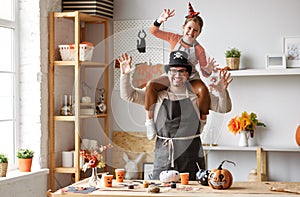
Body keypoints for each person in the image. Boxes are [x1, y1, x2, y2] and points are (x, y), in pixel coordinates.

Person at [118, 50, 232, 180]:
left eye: (182, 71)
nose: (177, 75)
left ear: (188, 74)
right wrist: (124, 75)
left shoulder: (197, 95)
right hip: (164, 155)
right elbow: (129, 96)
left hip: (191, 155)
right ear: (167, 73)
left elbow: (224, 108)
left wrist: (222, 92)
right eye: (173, 70)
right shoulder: (157, 94)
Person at [145, 3, 219, 140]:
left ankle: (202, 121)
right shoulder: (174, 38)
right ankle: (149, 122)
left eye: (195, 30)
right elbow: (153, 31)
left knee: (203, 91)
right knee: (151, 85)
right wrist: (160, 20)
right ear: (183, 28)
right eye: (189, 28)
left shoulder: (199, 49)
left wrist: (208, 70)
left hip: (190, 78)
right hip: (173, 75)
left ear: (199, 33)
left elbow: (205, 72)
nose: (191, 32)